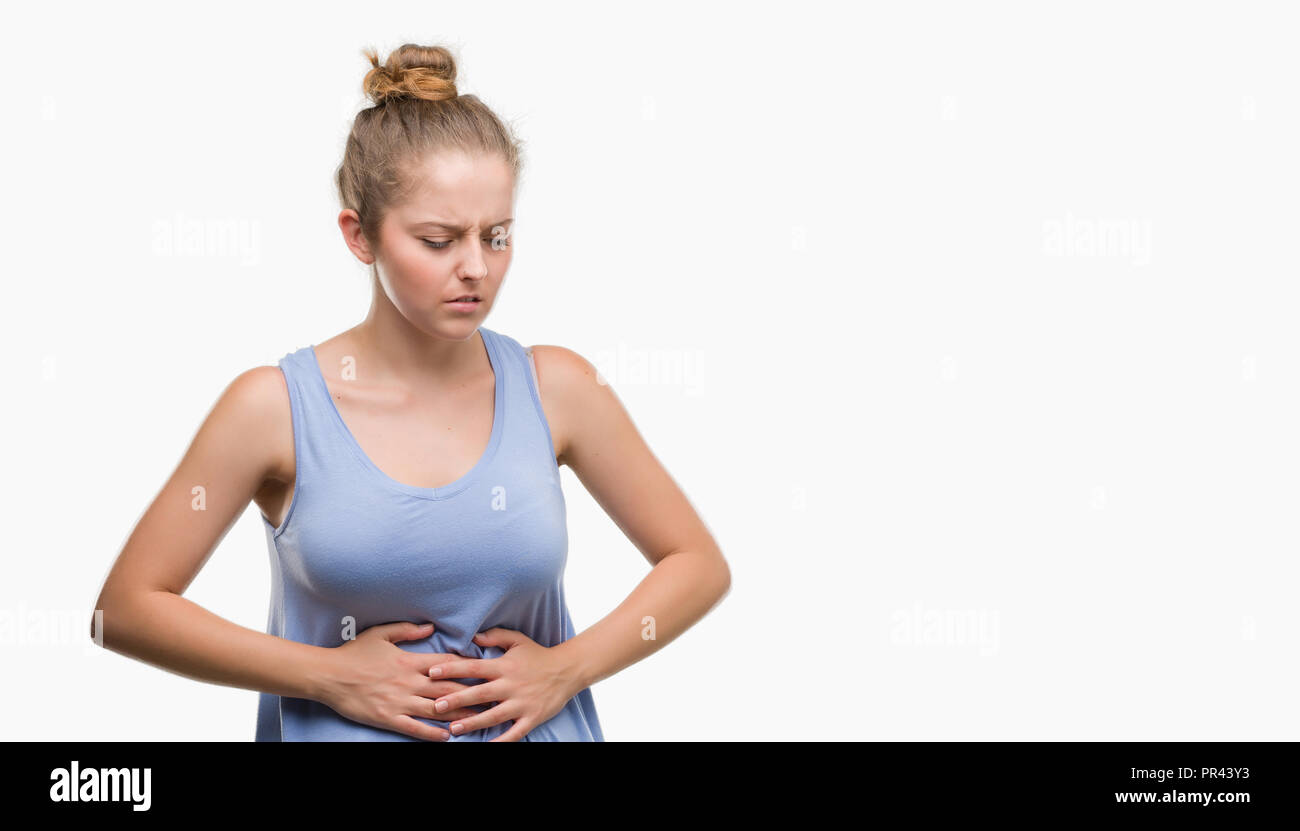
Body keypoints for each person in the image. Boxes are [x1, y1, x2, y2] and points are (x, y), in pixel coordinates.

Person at [91, 43, 731, 741]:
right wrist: (325, 673)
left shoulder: (557, 388)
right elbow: (125, 608)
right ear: (359, 235)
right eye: (438, 239)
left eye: (496, 236)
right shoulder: (274, 408)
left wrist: (568, 667)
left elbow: (697, 563)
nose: (476, 268)